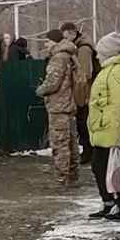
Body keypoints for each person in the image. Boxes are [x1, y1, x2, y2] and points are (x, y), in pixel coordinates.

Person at [86, 32, 120, 221]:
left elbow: (119, 105)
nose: (97, 56)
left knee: (111, 169)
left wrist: (116, 133)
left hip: (110, 132)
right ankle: (111, 204)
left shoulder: (117, 72)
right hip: (103, 130)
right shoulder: (110, 70)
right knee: (102, 167)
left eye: (100, 52)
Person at [37, 28, 79, 189]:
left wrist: (42, 89)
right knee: (71, 143)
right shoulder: (69, 55)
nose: (46, 45)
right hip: (68, 104)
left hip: (58, 106)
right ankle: (73, 175)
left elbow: (53, 83)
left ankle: (62, 179)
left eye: (47, 41)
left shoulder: (58, 58)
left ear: (54, 41)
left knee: (60, 144)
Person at [60, 21, 96, 164]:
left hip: (85, 93)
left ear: (71, 33)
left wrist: (79, 98)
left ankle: (88, 152)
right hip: (84, 91)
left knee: (84, 123)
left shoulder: (83, 49)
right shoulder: (80, 47)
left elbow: (84, 75)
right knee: (83, 124)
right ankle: (87, 151)